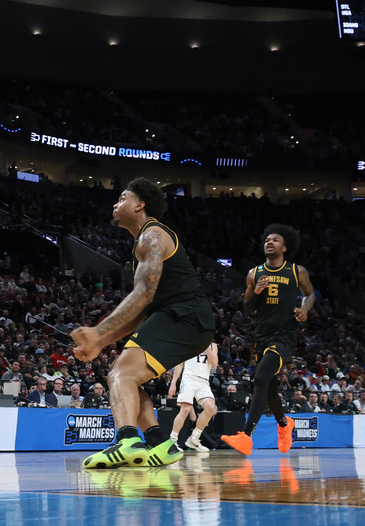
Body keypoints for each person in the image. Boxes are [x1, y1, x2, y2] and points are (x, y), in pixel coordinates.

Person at [70, 178, 215, 469]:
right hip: (183, 318)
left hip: (183, 315)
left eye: (122, 197)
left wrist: (99, 331)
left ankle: (127, 441)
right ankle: (160, 443)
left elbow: (143, 294)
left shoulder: (152, 235)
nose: (115, 203)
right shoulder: (144, 243)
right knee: (121, 376)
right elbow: (140, 312)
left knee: (121, 374)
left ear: (139, 205)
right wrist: (100, 341)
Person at [221, 224, 315, 456]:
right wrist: (256, 293)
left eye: (275, 240)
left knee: (260, 378)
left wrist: (304, 309)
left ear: (285, 247)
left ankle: (245, 436)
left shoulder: (296, 271)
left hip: (284, 335)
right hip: (261, 336)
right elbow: (248, 309)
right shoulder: (254, 273)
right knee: (270, 390)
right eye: (267, 240)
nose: (269, 242)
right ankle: (284, 425)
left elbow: (310, 294)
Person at [168, 342, 218, 454]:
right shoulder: (189, 342)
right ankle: (172, 440)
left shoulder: (212, 345)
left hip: (204, 381)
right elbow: (179, 364)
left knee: (210, 407)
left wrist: (207, 348)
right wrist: (173, 383)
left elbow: (214, 363)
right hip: (189, 379)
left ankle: (194, 438)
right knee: (185, 409)